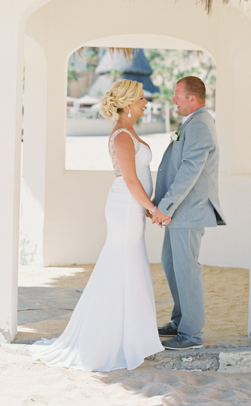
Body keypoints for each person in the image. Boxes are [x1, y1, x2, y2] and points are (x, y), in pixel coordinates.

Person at [31, 79, 165, 371]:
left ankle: (133, 337)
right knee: (122, 265)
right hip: (126, 207)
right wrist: (152, 208)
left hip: (132, 207)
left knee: (129, 266)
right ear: (128, 104)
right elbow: (130, 180)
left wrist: (145, 207)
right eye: (141, 98)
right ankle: (112, 339)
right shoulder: (121, 136)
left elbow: (136, 179)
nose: (146, 102)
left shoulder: (129, 132)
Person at [154, 76, 227, 350]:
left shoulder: (200, 125)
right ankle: (180, 321)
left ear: (192, 98)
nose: (173, 99)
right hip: (179, 212)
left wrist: (165, 206)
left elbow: (189, 171)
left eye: (177, 95)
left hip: (188, 211)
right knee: (172, 265)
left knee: (186, 270)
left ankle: (191, 335)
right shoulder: (194, 123)